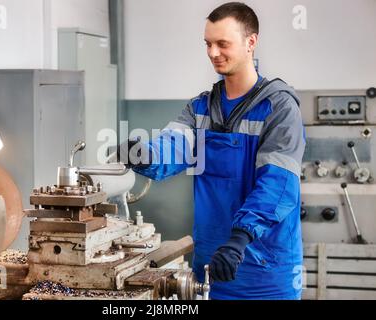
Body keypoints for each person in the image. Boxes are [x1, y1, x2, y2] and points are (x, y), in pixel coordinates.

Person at [118, 2, 305, 300]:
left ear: (251, 42)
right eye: (208, 43)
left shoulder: (279, 108)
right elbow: (175, 145)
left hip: (265, 270)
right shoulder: (200, 108)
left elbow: (278, 184)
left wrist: (240, 238)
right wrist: (144, 153)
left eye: (222, 44)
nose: (213, 53)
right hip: (211, 267)